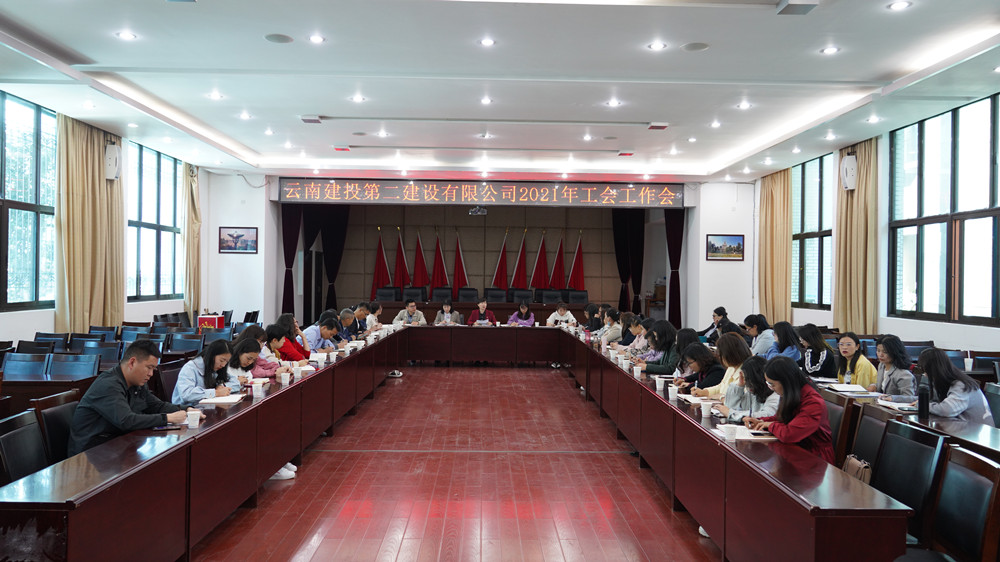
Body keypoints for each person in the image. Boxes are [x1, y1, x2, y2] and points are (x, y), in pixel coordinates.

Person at [68, 340, 201, 456]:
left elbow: (156, 405)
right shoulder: (108, 385)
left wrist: (187, 409)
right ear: (132, 362)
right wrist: (167, 418)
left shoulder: (137, 383)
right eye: (149, 368)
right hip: (90, 454)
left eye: (153, 369)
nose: (150, 374)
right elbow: (126, 420)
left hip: (116, 444)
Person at [746, 356, 834, 463]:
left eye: (772, 384)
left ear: (786, 382)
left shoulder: (813, 403)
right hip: (795, 450)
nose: (771, 388)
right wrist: (761, 421)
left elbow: (789, 434)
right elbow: (782, 418)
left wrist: (770, 425)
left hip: (815, 459)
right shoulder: (790, 393)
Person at [917, 348, 994, 425]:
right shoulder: (947, 383)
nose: (925, 375)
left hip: (976, 430)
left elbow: (947, 410)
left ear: (934, 370)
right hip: (966, 428)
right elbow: (931, 398)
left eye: (925, 371)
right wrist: (918, 401)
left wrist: (923, 405)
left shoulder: (962, 385)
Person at [172, 340, 239, 406]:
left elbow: (236, 383)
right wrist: (215, 392)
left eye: (226, 362)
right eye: (221, 360)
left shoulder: (216, 368)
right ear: (211, 355)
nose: (223, 365)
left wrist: (221, 387)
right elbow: (186, 394)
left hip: (207, 407)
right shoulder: (190, 368)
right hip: (186, 409)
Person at [715, 356, 779, 424]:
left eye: (748, 379)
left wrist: (732, 414)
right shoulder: (752, 393)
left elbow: (766, 415)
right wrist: (739, 385)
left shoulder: (775, 394)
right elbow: (730, 406)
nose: (746, 383)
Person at [692, 332, 752, 398]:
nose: (720, 358)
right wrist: (705, 392)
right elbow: (721, 386)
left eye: (721, 355)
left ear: (730, 354)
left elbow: (742, 398)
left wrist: (721, 397)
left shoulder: (749, 371)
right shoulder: (731, 367)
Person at [873, 334, 916, 400]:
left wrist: (892, 398)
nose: (880, 355)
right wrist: (874, 386)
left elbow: (910, 398)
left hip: (894, 406)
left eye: (885, 352)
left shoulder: (903, 374)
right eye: (878, 351)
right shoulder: (881, 365)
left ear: (894, 352)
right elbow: (883, 387)